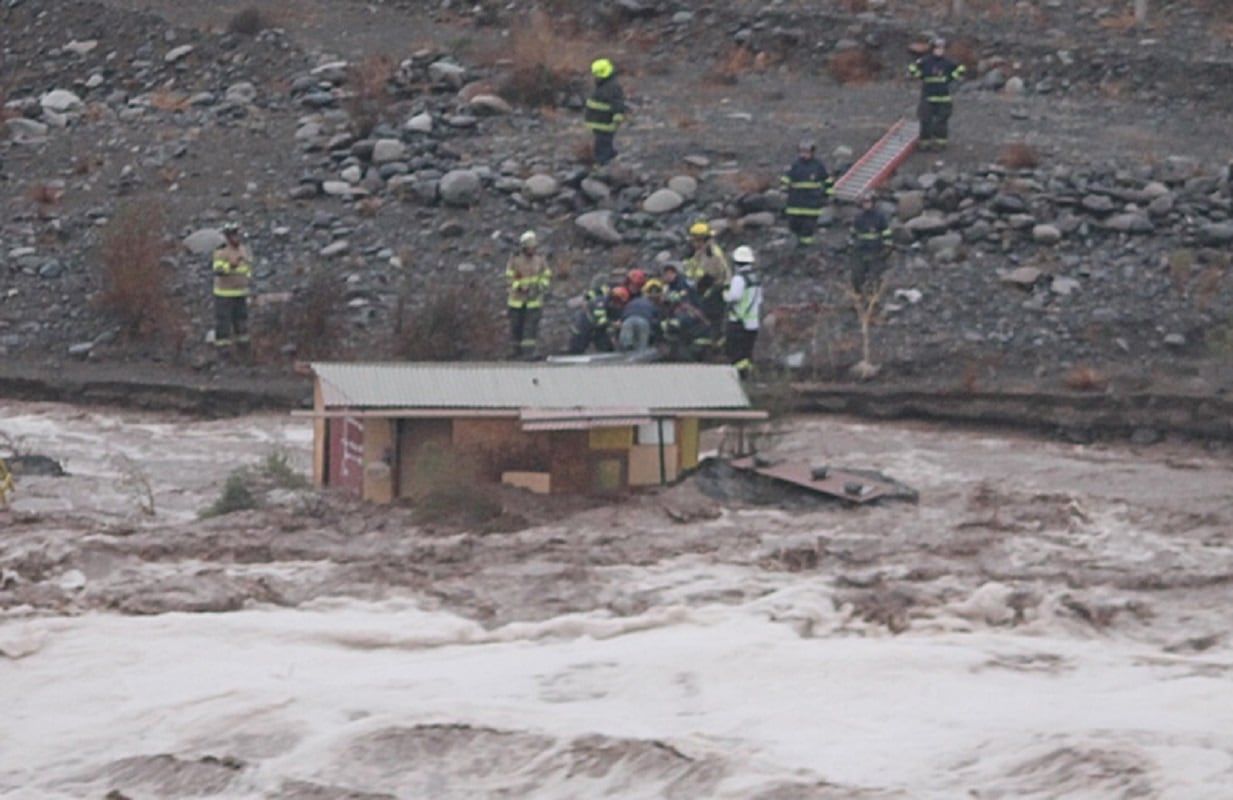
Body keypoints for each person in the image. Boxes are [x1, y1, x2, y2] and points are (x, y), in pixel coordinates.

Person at [908, 37, 967, 150]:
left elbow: (961, 68)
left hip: (943, 98)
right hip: (928, 97)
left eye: (942, 49)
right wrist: (920, 76)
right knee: (925, 120)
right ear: (932, 49)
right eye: (937, 48)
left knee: (941, 122)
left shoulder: (947, 62)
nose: (940, 51)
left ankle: (940, 143)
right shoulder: (925, 61)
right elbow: (912, 67)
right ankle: (925, 143)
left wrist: (951, 77)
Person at [505, 230, 552, 359]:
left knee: (530, 329)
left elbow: (546, 275)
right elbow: (509, 278)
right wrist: (519, 286)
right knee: (516, 328)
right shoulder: (514, 260)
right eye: (530, 246)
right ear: (524, 246)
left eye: (534, 246)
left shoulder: (540, 260)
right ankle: (515, 354)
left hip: (534, 301)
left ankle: (529, 354)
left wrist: (539, 287)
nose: (533, 249)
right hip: (516, 301)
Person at [211, 222, 253, 356]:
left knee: (241, 321)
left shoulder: (244, 249)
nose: (237, 238)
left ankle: (244, 349)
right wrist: (231, 266)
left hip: (241, 292)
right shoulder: (221, 251)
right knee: (223, 322)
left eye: (237, 234)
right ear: (228, 237)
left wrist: (248, 279)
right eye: (234, 235)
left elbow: (248, 267)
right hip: (224, 293)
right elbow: (218, 270)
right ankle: (223, 350)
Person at [781, 139, 833, 246]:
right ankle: (795, 245)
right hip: (795, 203)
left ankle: (806, 248)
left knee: (808, 227)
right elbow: (786, 179)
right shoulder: (795, 165)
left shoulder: (818, 166)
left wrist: (828, 195)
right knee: (794, 226)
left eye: (806, 152)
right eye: (802, 152)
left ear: (812, 152)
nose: (804, 155)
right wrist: (784, 189)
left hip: (811, 204)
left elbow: (827, 180)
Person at [724, 246, 763, 378]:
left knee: (736, 352)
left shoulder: (739, 279)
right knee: (747, 352)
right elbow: (759, 300)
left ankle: (737, 378)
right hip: (753, 322)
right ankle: (747, 376)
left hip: (738, 321)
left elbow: (734, 296)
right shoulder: (756, 279)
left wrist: (725, 295)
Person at [585, 58, 626, 166]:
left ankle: (602, 164)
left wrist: (617, 117)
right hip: (599, 123)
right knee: (603, 143)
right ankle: (610, 158)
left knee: (602, 144)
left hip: (605, 123)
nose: (595, 77)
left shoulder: (612, 87)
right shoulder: (603, 85)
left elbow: (618, 104)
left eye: (596, 75)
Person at [850, 193, 893, 295]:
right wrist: (851, 245)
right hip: (860, 250)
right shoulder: (858, 217)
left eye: (868, 202)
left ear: (873, 203)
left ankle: (873, 296)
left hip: (875, 250)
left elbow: (886, 232)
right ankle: (858, 295)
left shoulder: (879, 217)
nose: (866, 205)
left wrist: (887, 246)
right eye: (864, 202)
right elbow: (853, 233)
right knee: (857, 274)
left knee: (875, 274)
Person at [568, 278, 617, 355]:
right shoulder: (602, 298)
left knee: (605, 348)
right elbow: (601, 319)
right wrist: (612, 324)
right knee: (577, 350)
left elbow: (574, 302)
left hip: (592, 326)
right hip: (585, 325)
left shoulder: (596, 294)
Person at [661, 291, 712, 362]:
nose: (666, 307)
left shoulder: (683, 309)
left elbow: (684, 322)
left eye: (668, 304)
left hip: (695, 334)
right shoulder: (687, 308)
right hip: (698, 332)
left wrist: (672, 323)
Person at [618, 278, 665, 353]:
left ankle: (623, 360)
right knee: (641, 349)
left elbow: (623, 313)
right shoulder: (654, 306)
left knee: (626, 345)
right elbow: (656, 322)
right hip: (643, 322)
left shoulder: (633, 301)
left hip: (628, 321)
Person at [682, 221, 730, 286]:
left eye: (697, 241)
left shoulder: (713, 254)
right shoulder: (697, 252)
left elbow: (716, 276)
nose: (694, 244)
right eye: (693, 241)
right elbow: (689, 272)